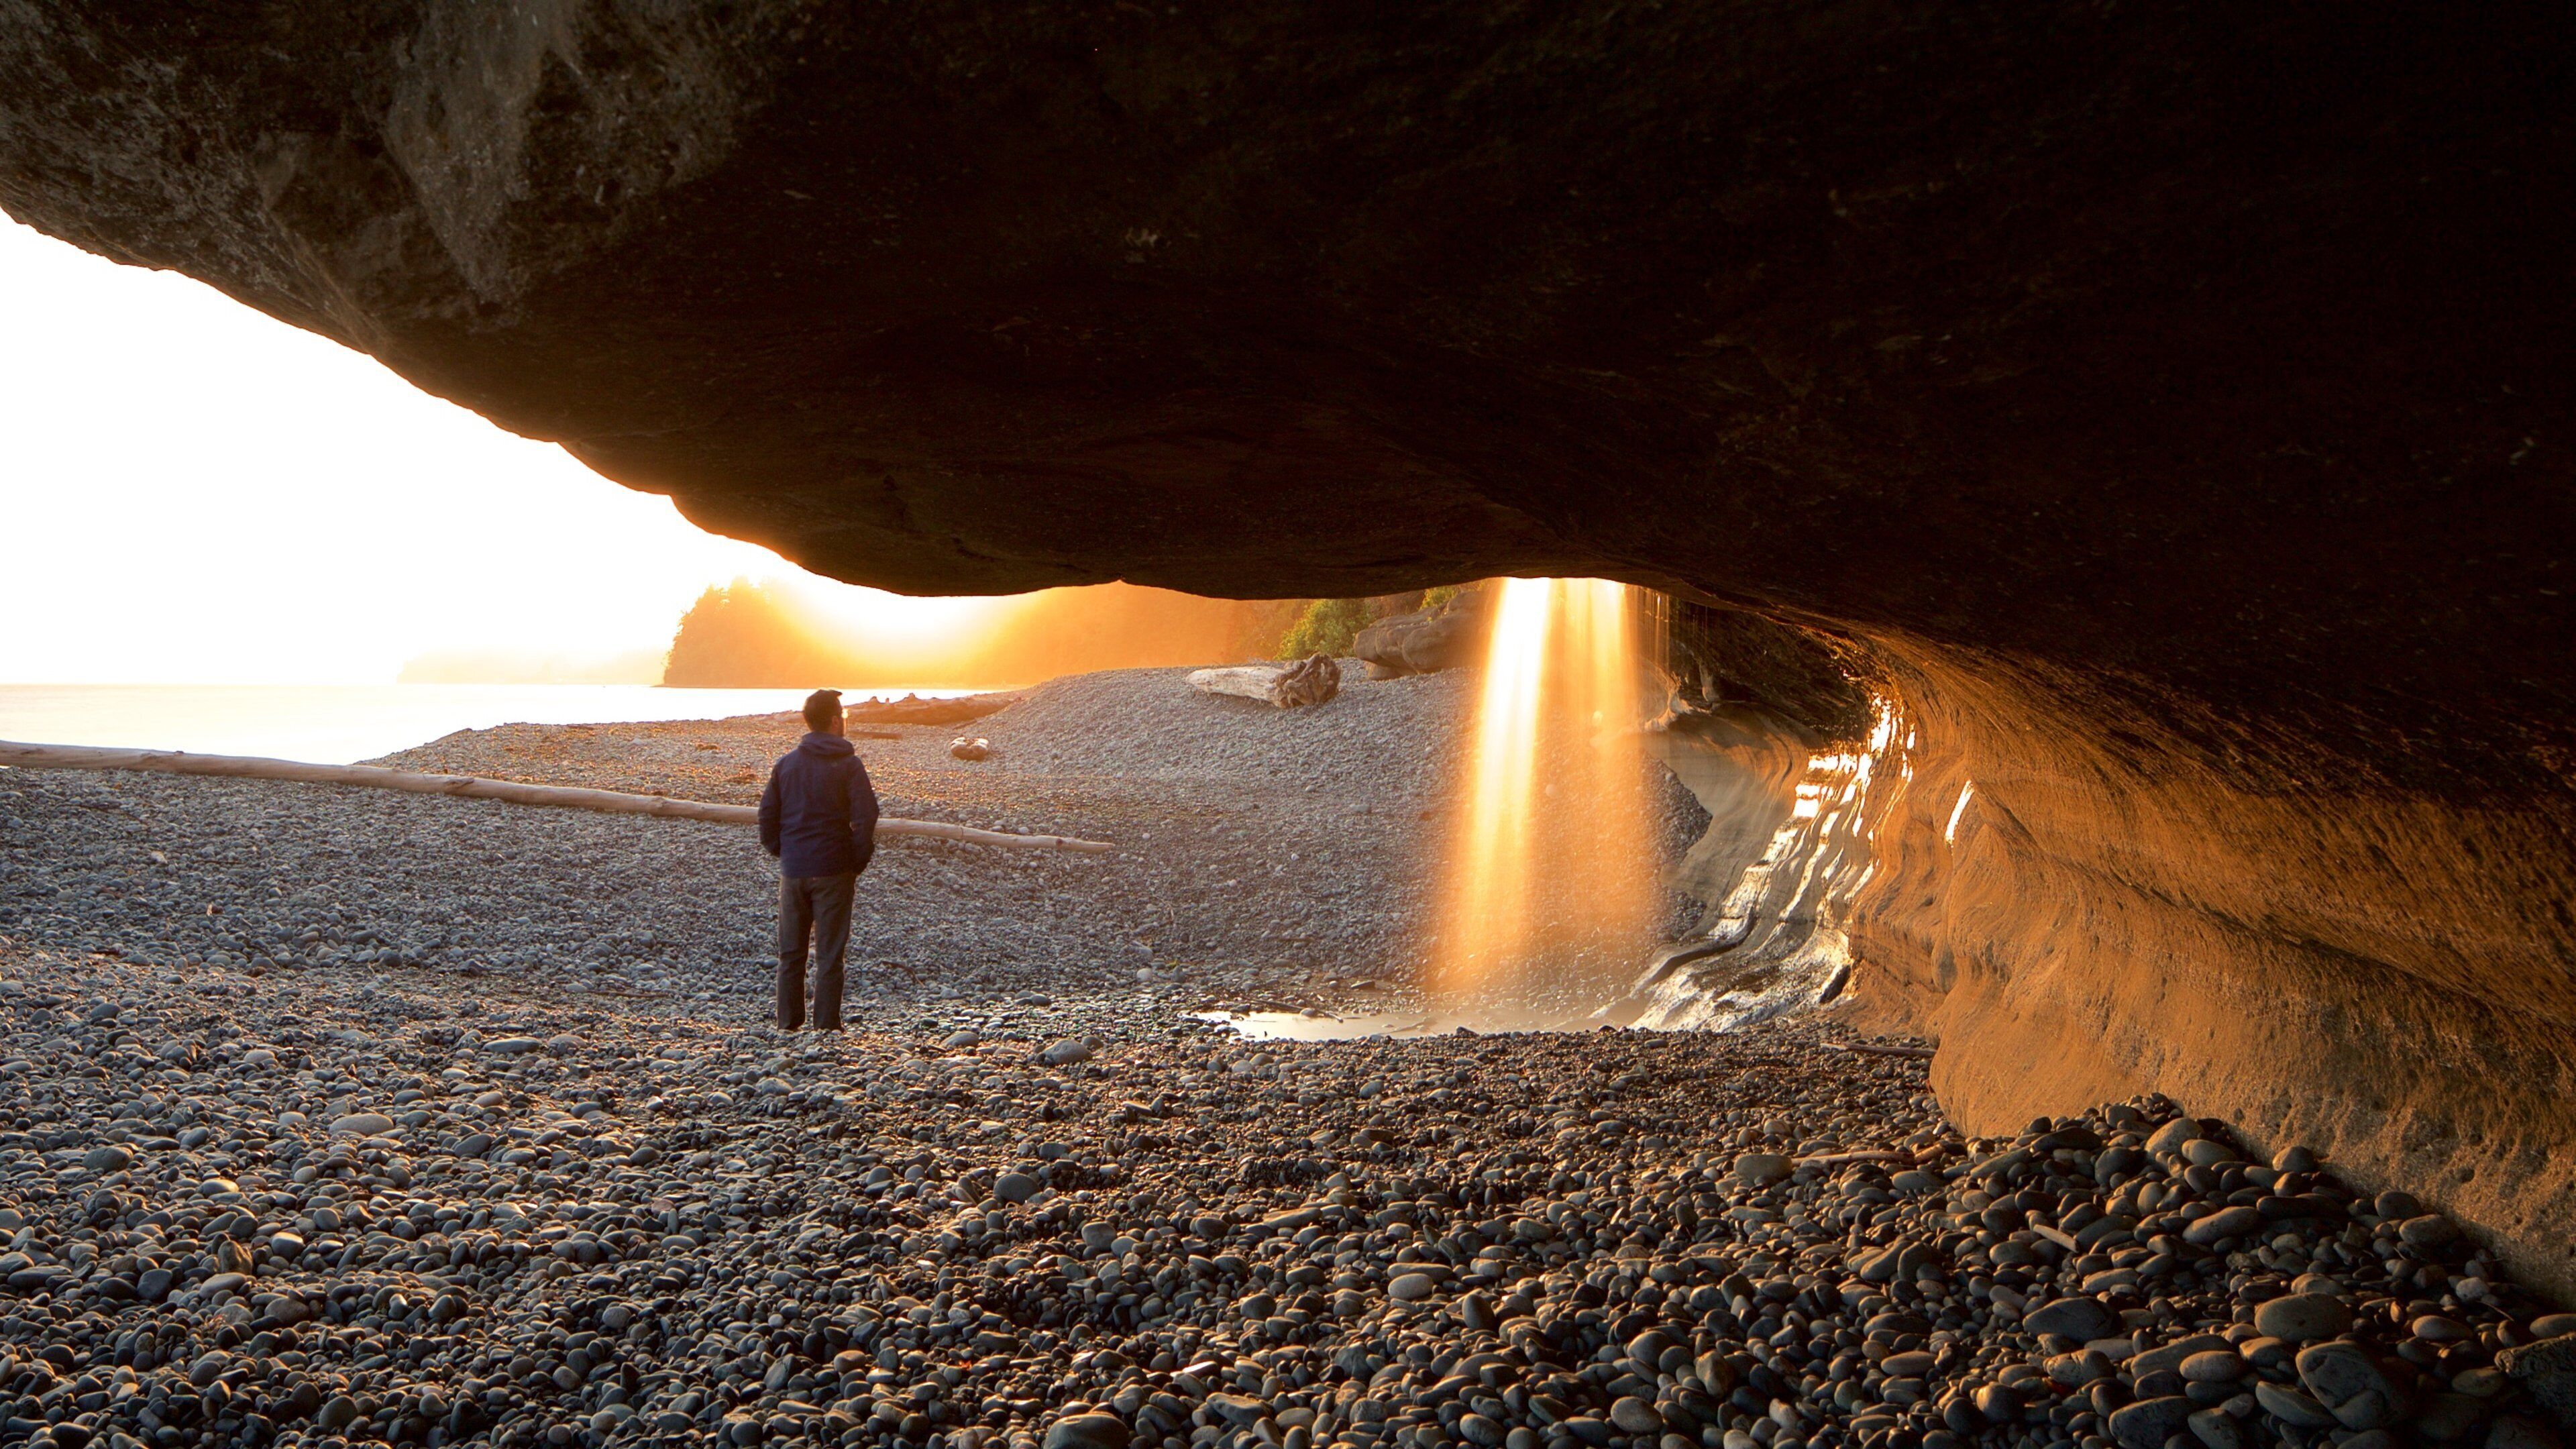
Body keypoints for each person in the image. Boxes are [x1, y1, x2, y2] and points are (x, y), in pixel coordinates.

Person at [757, 688, 880, 1031]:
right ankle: (825, 1027)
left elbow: (767, 816)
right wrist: (857, 859)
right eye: (843, 717)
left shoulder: (786, 764)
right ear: (834, 721)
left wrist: (782, 851)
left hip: (794, 871)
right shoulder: (849, 764)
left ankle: (787, 1025)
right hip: (834, 870)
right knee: (829, 956)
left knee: (790, 953)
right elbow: (867, 816)